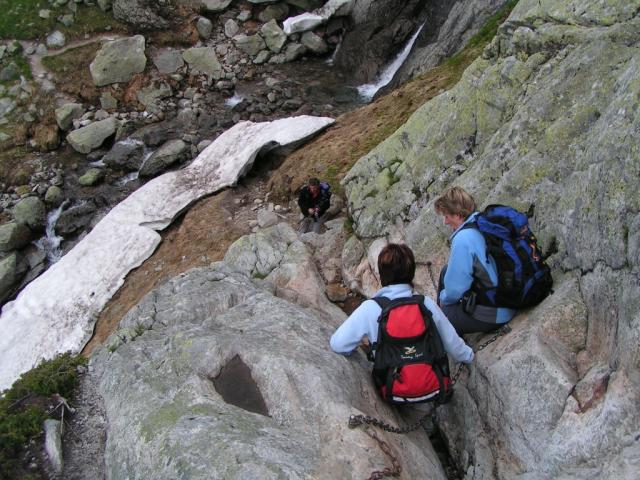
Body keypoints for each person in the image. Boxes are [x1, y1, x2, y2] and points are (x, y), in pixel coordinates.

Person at [330, 243, 473, 365]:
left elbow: (338, 344)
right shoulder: (426, 304)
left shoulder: (370, 308)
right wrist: (469, 356)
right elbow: (452, 343)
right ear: (411, 274)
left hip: (393, 390)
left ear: (381, 275)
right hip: (433, 385)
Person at [434, 186, 516, 335]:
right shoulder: (482, 222)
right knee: (446, 271)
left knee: (441, 316)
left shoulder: (463, 239)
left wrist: (442, 298)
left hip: (496, 312)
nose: (445, 222)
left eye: (447, 216)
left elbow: (454, 292)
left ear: (458, 215)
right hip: (509, 296)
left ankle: (457, 350)